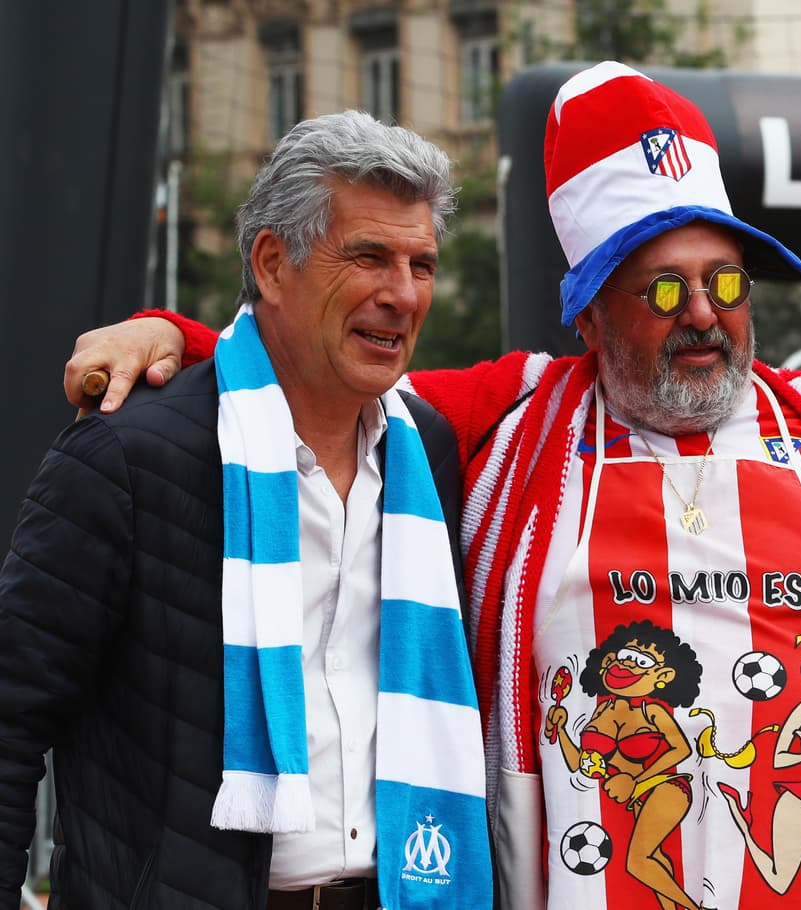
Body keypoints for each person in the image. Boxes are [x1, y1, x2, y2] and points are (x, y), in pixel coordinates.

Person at [62, 62, 801, 910]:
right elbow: (315, 367)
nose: (704, 313)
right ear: (592, 309)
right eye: (661, 291)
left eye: (723, 279)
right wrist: (169, 334)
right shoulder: (505, 420)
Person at [0, 110, 492, 909]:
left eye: (422, 264)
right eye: (370, 256)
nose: (402, 295)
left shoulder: (429, 450)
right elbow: (12, 716)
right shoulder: (127, 458)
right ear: (272, 262)